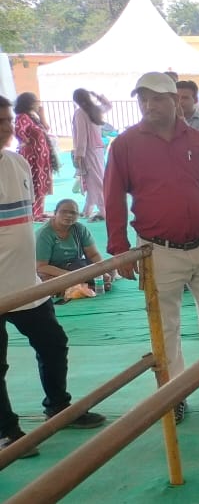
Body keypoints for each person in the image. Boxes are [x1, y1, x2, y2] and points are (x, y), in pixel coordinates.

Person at [105, 72, 199, 424]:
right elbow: (112, 198)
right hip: (157, 250)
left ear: (175, 101)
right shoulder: (125, 145)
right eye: (143, 98)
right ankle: (174, 394)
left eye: (157, 98)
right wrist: (119, 249)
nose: (148, 105)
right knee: (165, 326)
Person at [0, 95, 107, 459]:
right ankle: (7, 431)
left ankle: (59, 408)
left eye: (7, 120)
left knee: (53, 344)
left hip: (25, 285)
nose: (6, 128)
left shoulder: (16, 162)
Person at [35, 199, 112, 290]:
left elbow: (93, 255)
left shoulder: (80, 229)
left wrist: (101, 270)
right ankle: (85, 286)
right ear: (55, 213)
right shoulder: (44, 234)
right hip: (53, 270)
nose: (69, 215)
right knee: (47, 281)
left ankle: (84, 285)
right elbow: (41, 266)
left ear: (77, 216)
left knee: (109, 270)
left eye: (73, 213)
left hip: (76, 266)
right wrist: (71, 276)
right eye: (64, 212)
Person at [13, 93, 57, 221]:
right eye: (36, 101)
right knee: (34, 183)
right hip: (32, 156)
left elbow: (46, 128)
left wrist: (42, 113)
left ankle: (39, 212)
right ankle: (34, 213)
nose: (39, 103)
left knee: (41, 183)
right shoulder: (22, 116)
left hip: (41, 156)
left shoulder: (33, 116)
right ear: (29, 103)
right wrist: (27, 142)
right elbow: (18, 131)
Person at [72, 88, 111, 222]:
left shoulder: (80, 113)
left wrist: (79, 154)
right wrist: (99, 96)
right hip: (98, 149)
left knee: (96, 181)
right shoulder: (94, 110)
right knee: (93, 180)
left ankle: (104, 211)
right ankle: (87, 210)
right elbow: (108, 105)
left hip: (88, 151)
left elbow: (81, 136)